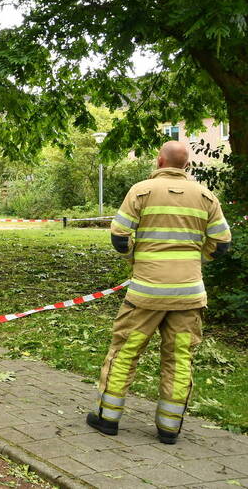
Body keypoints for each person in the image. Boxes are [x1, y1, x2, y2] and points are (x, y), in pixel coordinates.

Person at [86, 141, 232, 444]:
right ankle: (169, 427)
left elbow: (119, 236)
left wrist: (136, 258)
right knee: (179, 358)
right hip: (189, 296)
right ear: (187, 166)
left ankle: (108, 418)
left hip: (145, 295)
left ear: (159, 160)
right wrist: (194, 259)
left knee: (126, 351)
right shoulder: (206, 197)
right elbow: (221, 244)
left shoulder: (141, 191)